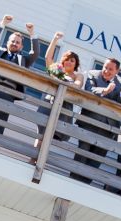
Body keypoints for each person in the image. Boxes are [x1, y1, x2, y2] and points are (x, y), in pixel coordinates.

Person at [0, 15, 39, 150]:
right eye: (12, 41)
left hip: (8, 94)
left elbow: (35, 53)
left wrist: (32, 33)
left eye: (17, 42)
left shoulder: (23, 60)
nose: (15, 44)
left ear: (21, 46)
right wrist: (3, 23)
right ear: (7, 42)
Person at [70, 57, 121, 185]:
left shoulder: (120, 84)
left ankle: (84, 185)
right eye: (105, 67)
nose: (107, 71)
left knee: (96, 159)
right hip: (89, 123)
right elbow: (89, 90)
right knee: (82, 154)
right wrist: (105, 90)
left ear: (116, 71)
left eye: (110, 69)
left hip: (108, 129)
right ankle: (73, 182)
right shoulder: (93, 74)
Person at [33, 31, 83, 161]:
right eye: (67, 59)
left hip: (64, 107)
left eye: (72, 60)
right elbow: (48, 59)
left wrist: (62, 81)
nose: (69, 62)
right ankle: (33, 158)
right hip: (49, 103)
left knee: (51, 135)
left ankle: (41, 159)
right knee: (42, 133)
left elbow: (77, 85)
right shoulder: (57, 69)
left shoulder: (77, 75)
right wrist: (55, 40)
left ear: (76, 64)